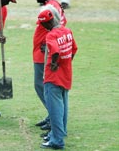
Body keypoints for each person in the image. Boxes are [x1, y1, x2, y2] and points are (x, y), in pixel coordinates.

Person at [29, 0, 67, 133]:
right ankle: (52, 116)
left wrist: (49, 43)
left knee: (42, 86)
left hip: (44, 53)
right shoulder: (54, 5)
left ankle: (54, 117)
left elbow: (58, 26)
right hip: (41, 51)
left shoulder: (51, 7)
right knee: (43, 87)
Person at [37, 9, 77, 149]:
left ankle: (57, 140)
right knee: (63, 106)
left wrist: (54, 63)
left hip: (53, 77)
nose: (43, 28)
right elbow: (74, 49)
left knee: (55, 109)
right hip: (66, 75)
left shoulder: (51, 35)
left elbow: (55, 51)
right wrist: (66, 62)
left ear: (47, 23)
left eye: (44, 25)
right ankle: (60, 133)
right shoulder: (67, 31)